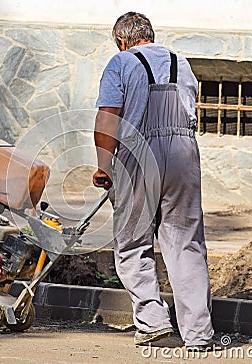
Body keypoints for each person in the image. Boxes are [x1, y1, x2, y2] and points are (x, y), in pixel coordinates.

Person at [92, 12, 214, 350]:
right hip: (183, 154)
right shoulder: (182, 63)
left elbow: (108, 116)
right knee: (185, 244)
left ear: (121, 41)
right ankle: (199, 335)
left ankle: (153, 321)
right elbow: (190, 110)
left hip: (138, 153)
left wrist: (104, 166)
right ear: (151, 35)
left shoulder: (121, 62)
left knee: (132, 243)